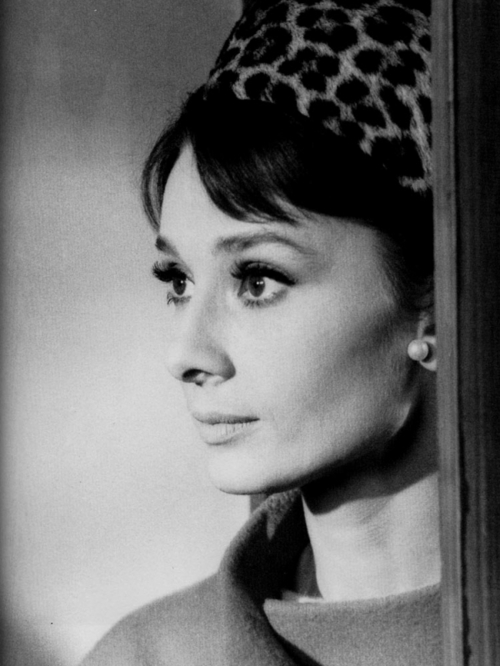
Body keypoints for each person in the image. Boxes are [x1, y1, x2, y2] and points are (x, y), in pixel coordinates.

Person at [82, 1, 441, 664]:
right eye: (178, 280)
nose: (186, 355)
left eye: (256, 279)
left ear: (437, 301)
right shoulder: (145, 657)